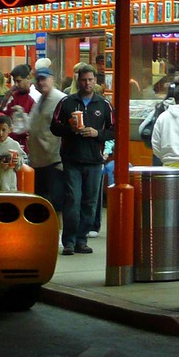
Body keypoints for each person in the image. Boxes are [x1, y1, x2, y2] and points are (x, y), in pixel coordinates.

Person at [52, 61, 114, 255]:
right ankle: (69, 241)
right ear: (78, 81)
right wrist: (69, 128)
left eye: (90, 80)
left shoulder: (104, 105)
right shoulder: (67, 102)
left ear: (95, 81)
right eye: (84, 80)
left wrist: (97, 133)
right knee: (73, 200)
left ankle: (82, 239)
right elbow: (54, 127)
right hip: (72, 159)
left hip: (95, 161)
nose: (87, 83)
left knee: (90, 202)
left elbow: (114, 130)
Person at [27, 61, 65, 217]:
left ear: (52, 79)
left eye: (44, 79)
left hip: (54, 161)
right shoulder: (40, 100)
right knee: (41, 201)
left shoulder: (60, 99)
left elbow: (66, 131)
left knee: (55, 203)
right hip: (38, 160)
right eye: (38, 79)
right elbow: (34, 125)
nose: (41, 82)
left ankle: (59, 235)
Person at [0, 63, 35, 147]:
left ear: (28, 78)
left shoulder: (35, 96)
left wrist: (23, 115)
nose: (16, 84)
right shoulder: (13, 96)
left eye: (19, 81)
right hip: (12, 143)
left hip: (29, 144)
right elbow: (4, 115)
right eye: (15, 81)